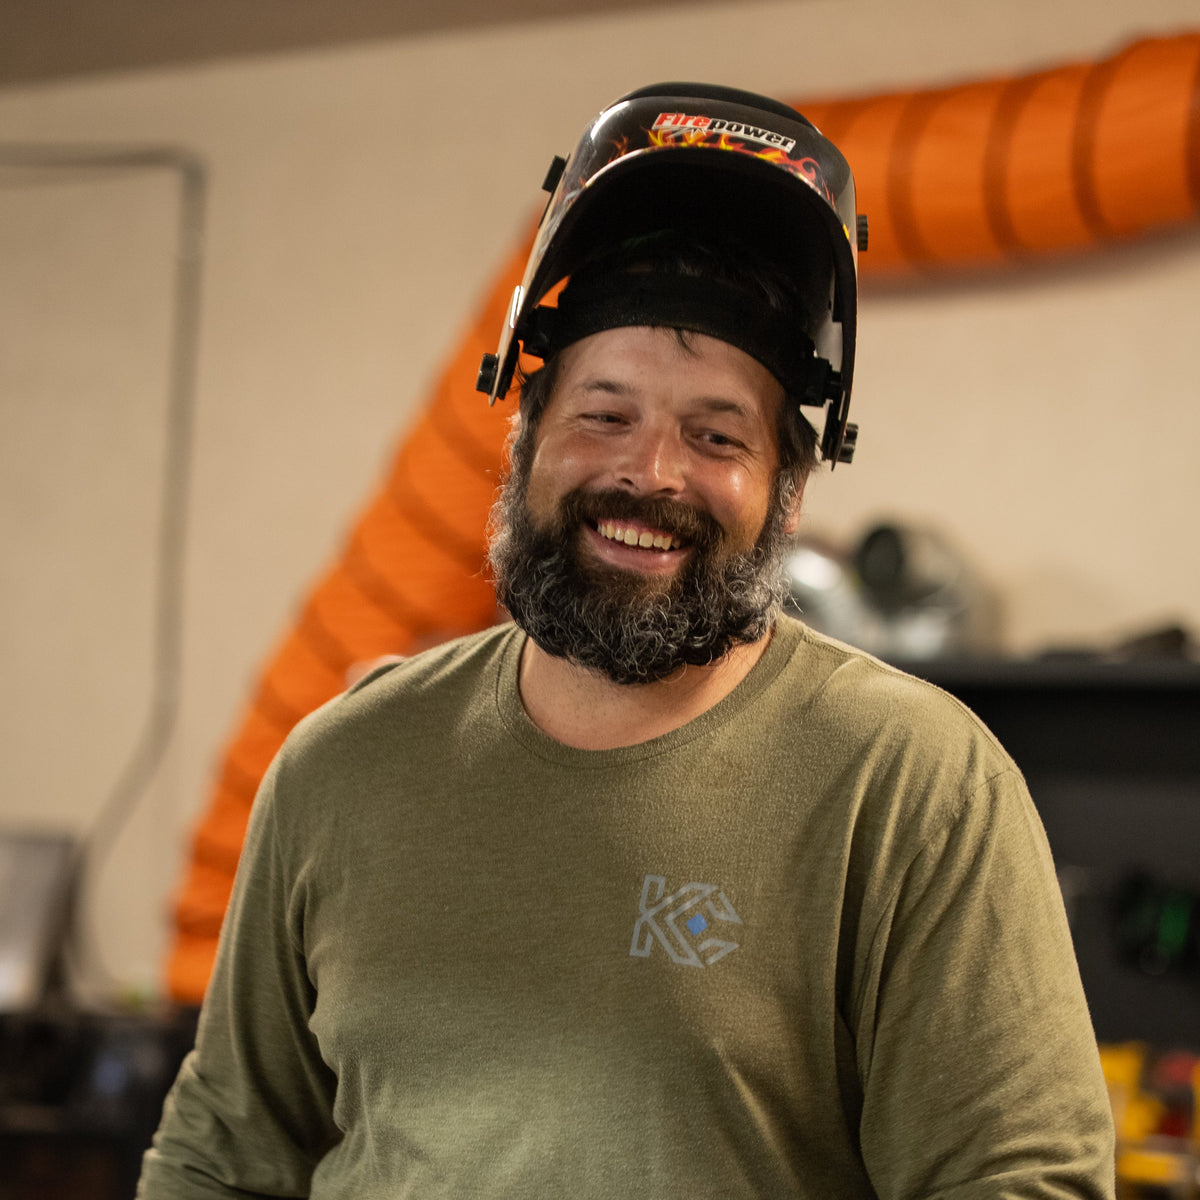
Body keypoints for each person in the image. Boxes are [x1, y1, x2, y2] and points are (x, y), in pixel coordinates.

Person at [138, 83, 1115, 1199]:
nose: (651, 472)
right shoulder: (343, 765)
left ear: (787, 494)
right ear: (525, 442)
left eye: (716, 433)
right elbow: (221, 1155)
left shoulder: (912, 785)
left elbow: (1018, 1181)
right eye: (606, 413)